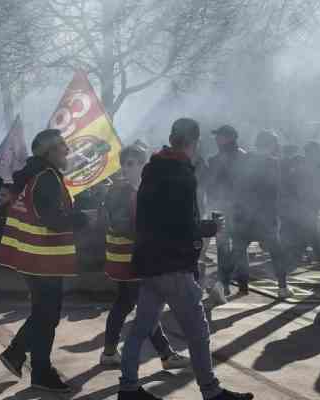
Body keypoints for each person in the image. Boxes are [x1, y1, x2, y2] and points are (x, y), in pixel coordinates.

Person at [117, 118, 252, 400]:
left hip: (150, 263)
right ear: (194, 142)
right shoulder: (181, 174)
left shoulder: (152, 171)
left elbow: (149, 220)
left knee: (140, 329)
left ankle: (128, 388)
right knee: (197, 332)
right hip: (173, 265)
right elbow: (182, 226)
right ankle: (211, 392)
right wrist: (210, 228)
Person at [0, 128, 88, 393]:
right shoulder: (46, 177)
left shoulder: (37, 174)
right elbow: (52, 220)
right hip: (42, 258)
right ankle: (39, 370)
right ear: (49, 152)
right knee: (47, 316)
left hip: (34, 257)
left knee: (44, 314)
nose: (67, 150)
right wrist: (81, 218)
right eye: (62, 146)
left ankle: (22, 358)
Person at [100, 145, 189, 370]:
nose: (131, 168)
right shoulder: (120, 191)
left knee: (131, 303)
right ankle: (164, 354)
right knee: (141, 305)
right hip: (127, 258)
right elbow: (122, 224)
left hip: (134, 257)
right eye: (127, 164)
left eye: (136, 163)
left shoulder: (139, 189)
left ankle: (112, 352)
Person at [222, 130, 293, 299]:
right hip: (264, 216)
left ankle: (221, 284)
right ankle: (283, 288)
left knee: (237, 252)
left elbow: (234, 186)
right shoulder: (272, 163)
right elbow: (274, 191)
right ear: (271, 145)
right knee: (276, 252)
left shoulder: (243, 159)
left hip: (242, 214)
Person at [205, 125, 247, 304]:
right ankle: (224, 284)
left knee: (239, 244)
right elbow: (210, 184)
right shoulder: (214, 159)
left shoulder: (243, 157)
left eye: (220, 136)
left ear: (230, 137)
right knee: (223, 246)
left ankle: (241, 281)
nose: (216, 139)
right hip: (220, 207)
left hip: (238, 207)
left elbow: (248, 183)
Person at [296, 141, 320, 261]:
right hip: (308, 200)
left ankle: (305, 251)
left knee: (308, 226)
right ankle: (316, 252)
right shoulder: (317, 165)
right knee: (310, 226)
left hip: (310, 200)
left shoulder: (305, 164)